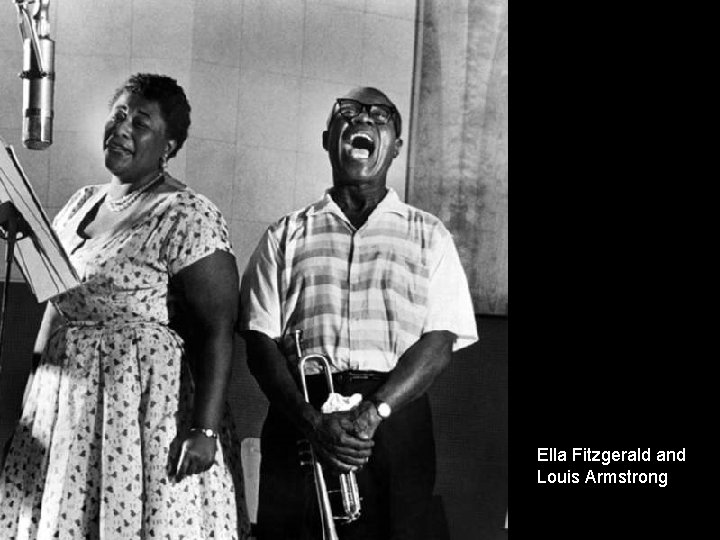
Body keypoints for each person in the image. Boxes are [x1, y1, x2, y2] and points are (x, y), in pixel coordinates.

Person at [0, 73, 250, 539]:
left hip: (142, 417)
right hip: (68, 408)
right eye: (118, 115)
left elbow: (219, 328)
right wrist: (33, 398)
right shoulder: (81, 203)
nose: (121, 129)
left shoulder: (187, 213)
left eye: (140, 123)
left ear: (169, 145)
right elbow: (59, 303)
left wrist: (206, 430)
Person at [238, 87, 478, 540]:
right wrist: (312, 423)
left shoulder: (430, 236)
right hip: (302, 415)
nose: (362, 119)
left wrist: (373, 412)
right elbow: (258, 341)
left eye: (380, 116)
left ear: (397, 148)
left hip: (395, 417)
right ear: (329, 139)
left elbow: (440, 342)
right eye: (348, 113)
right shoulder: (284, 235)